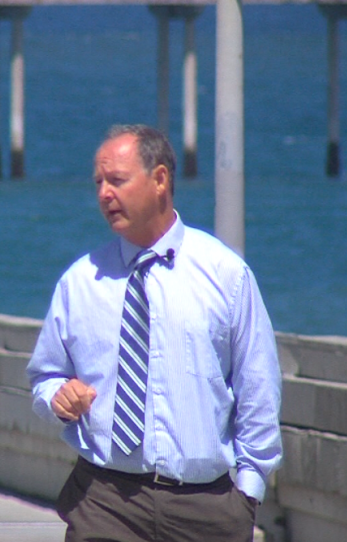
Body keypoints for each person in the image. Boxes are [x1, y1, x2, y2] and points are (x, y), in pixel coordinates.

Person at [26, 125, 282, 542]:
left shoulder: (225, 275)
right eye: (98, 182)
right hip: (105, 500)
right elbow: (44, 376)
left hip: (205, 507)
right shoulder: (80, 282)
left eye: (117, 180)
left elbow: (258, 387)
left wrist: (248, 492)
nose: (104, 194)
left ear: (160, 179)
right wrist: (57, 396)